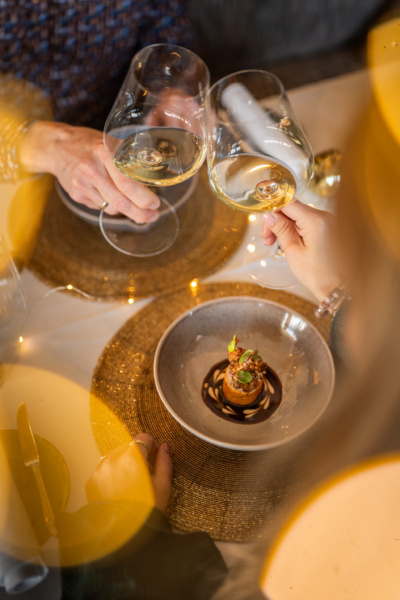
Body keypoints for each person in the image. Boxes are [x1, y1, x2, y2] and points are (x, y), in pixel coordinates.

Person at [0, 1, 192, 222]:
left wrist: (171, 89)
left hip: (121, 135)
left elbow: (167, 33)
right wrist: (48, 145)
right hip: (13, 174)